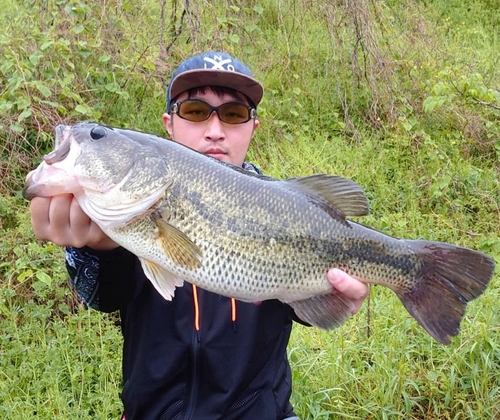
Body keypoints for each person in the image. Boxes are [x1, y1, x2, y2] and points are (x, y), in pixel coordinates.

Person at [29, 52, 369, 419]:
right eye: (195, 111)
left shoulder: (284, 206)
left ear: (253, 127)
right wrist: (93, 249)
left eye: (234, 114)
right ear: (169, 124)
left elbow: (303, 306)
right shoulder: (131, 210)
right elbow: (103, 296)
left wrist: (333, 295)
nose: (215, 130)